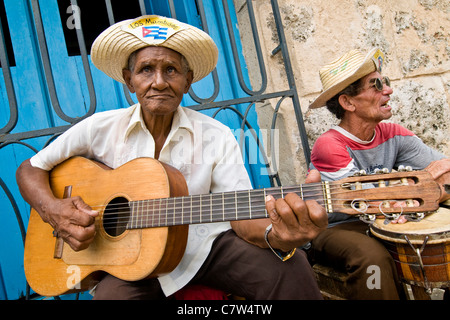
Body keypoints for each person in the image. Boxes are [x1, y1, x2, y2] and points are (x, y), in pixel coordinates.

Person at [16, 15, 327, 300]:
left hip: (205, 250)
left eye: (171, 70)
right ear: (129, 79)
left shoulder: (216, 135)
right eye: (146, 70)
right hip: (127, 261)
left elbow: (243, 218)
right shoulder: (99, 128)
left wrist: (280, 234)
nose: (159, 82)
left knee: (291, 266)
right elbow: (30, 169)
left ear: (188, 81)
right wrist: (53, 209)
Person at [307, 48, 450, 299]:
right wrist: (417, 194)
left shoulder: (394, 133)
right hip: (337, 228)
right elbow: (367, 202)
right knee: (372, 258)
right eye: (376, 85)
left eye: (386, 82)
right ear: (348, 102)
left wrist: (425, 192)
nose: (388, 90)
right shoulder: (329, 145)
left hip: (385, 218)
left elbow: (446, 168)